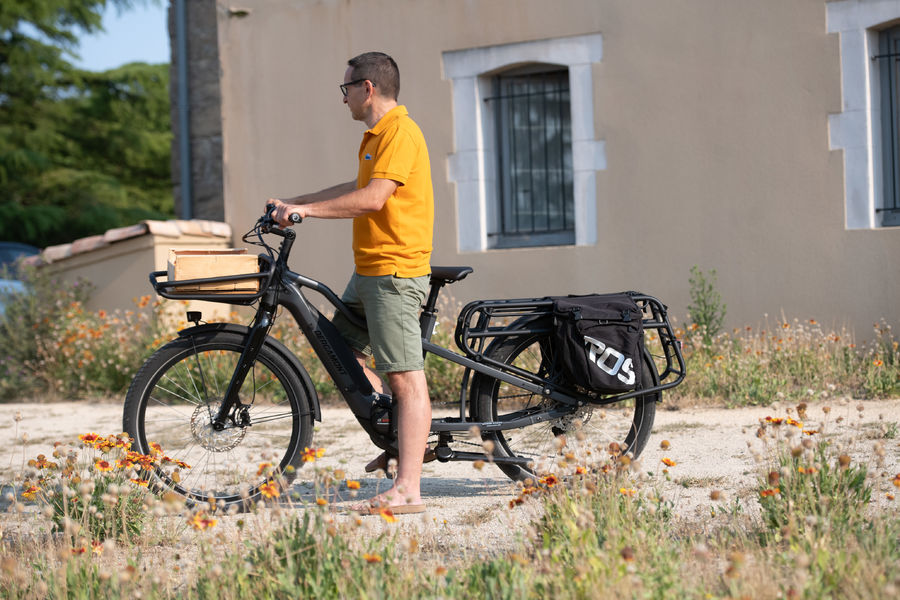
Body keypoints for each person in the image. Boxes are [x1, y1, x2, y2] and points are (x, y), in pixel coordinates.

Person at [267, 52, 434, 515]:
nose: (342, 99)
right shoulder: (374, 139)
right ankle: (399, 437)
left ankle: (409, 490)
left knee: (405, 378)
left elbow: (373, 200)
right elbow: (357, 185)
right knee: (344, 354)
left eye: (345, 89)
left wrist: (307, 213)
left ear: (368, 88)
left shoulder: (400, 131)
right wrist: (296, 200)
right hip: (370, 272)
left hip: (395, 272)